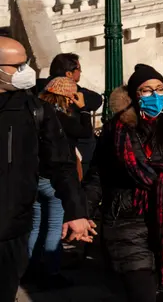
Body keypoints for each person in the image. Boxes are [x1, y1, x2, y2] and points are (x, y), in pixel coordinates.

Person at [85, 64, 163, 302]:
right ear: (135, 95)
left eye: (160, 89)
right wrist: (82, 213)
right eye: (147, 90)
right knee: (142, 293)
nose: (155, 95)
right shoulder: (117, 129)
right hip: (126, 220)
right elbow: (97, 175)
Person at [0, 37, 93, 302]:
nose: (25, 71)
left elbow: (61, 164)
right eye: (16, 66)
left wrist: (76, 211)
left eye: (26, 63)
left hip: (11, 231)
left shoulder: (35, 111)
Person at [27, 76, 93, 286]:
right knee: (55, 226)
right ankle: (51, 272)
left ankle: (30, 269)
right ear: (68, 97)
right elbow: (85, 133)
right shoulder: (59, 117)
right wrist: (83, 110)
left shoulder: (34, 111)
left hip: (35, 176)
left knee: (36, 224)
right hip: (55, 178)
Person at [48, 52, 102, 176]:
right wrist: (83, 108)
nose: (81, 72)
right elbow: (85, 132)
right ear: (69, 74)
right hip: (74, 153)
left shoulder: (42, 89)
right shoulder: (71, 96)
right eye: (79, 69)